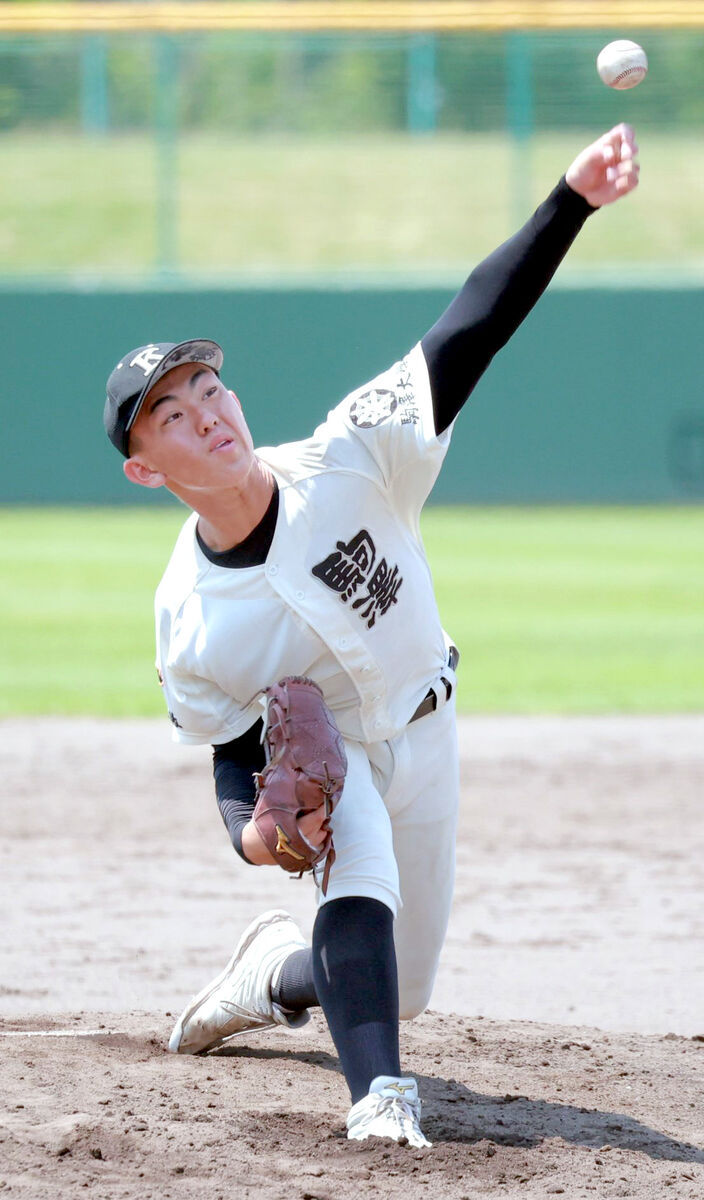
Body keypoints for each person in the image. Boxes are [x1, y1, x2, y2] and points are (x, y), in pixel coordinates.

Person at [104, 124, 639, 1149]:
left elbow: (467, 330)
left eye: (207, 388)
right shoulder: (188, 613)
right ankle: (379, 1099)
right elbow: (228, 747)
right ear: (145, 466)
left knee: (407, 982)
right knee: (356, 873)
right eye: (169, 414)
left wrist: (569, 200)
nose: (205, 414)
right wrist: (254, 835)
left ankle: (271, 974)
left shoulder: (353, 455)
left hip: (429, 728)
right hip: (339, 757)